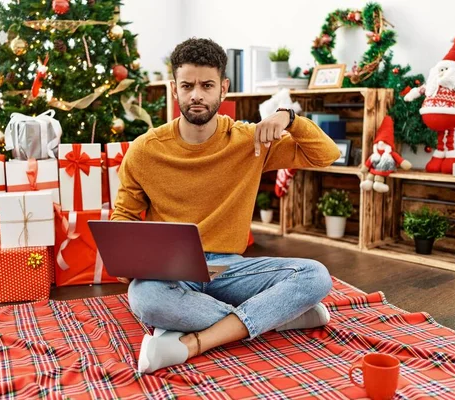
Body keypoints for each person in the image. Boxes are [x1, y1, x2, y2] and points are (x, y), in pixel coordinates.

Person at [111, 38, 341, 374]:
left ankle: (194, 341)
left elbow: (326, 155)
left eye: (207, 85)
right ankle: (277, 315)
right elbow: (124, 218)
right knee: (146, 299)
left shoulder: (250, 141)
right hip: (171, 273)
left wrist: (289, 118)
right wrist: (126, 262)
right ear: (175, 89)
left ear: (224, 88)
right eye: (187, 86)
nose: (196, 95)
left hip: (230, 269)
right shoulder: (145, 150)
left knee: (315, 276)